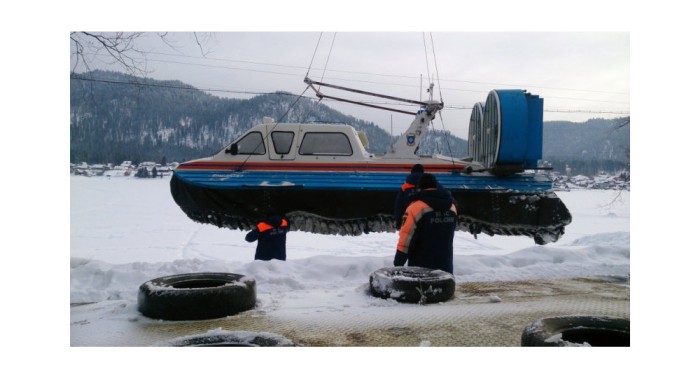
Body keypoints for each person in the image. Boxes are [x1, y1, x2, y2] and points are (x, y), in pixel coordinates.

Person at [394, 173, 458, 274]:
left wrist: (398, 262)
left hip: (421, 268)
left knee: (421, 290)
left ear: (420, 186)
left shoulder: (416, 207)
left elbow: (406, 237)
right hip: (445, 268)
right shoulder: (452, 207)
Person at [393, 164, 424, 230]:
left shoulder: (405, 186)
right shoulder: (429, 185)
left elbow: (399, 205)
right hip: (425, 216)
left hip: (409, 216)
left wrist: (399, 221)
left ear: (412, 172)